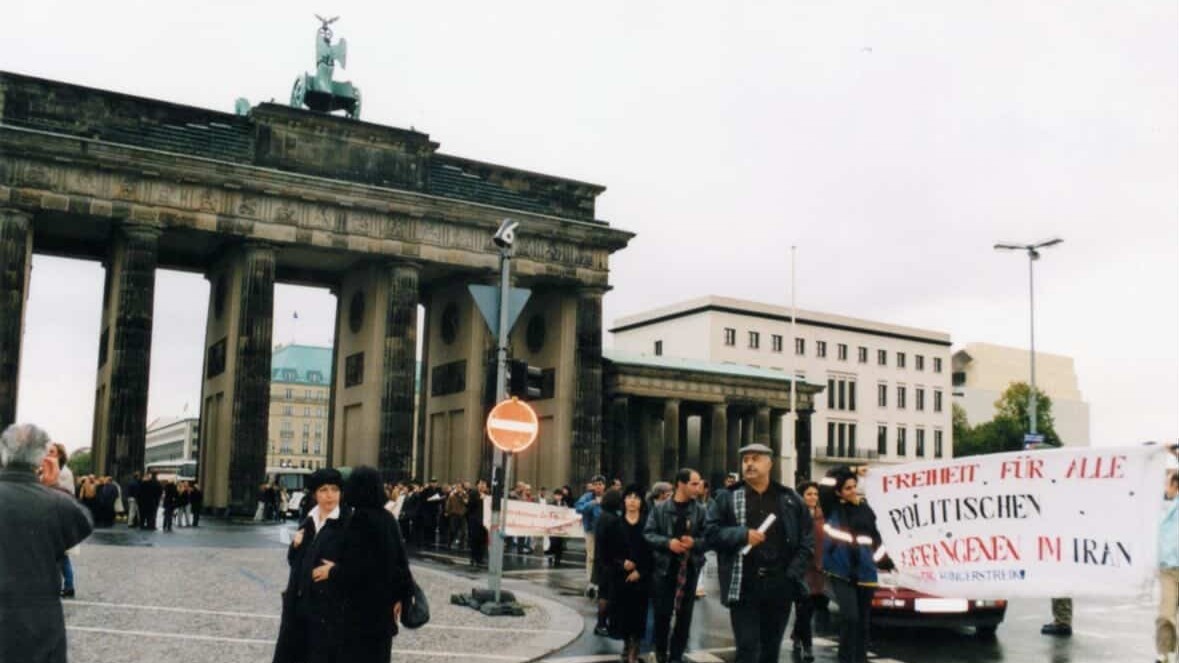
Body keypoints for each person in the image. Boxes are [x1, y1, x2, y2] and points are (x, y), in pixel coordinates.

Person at [705, 443, 813, 663]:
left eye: (755, 459)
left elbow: (807, 541)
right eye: (745, 460)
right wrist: (742, 535)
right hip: (744, 583)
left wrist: (792, 574)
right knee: (746, 648)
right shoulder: (726, 498)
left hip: (780, 583)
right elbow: (710, 534)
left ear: (769, 463)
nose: (749, 464)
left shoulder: (789, 499)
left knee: (770, 649)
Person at [0, 423, 94, 663]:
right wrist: (53, 487)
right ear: (42, 458)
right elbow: (83, 523)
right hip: (38, 625)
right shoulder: (56, 503)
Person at [318, 466, 414, 662]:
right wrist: (401, 596)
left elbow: (360, 569)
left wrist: (333, 571)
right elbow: (400, 564)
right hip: (383, 611)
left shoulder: (360, 521)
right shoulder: (387, 519)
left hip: (360, 613)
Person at [274, 468, 348, 663]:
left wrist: (335, 571)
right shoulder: (309, 520)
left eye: (334, 489)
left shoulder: (347, 523)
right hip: (298, 608)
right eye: (324, 490)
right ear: (315, 494)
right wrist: (295, 546)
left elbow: (362, 565)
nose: (330, 495)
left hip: (327, 613)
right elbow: (294, 562)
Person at [644, 468, 708, 663]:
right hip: (664, 569)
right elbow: (648, 533)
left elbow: (710, 537)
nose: (698, 488)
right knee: (662, 614)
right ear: (681, 484)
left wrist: (695, 543)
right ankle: (661, 652)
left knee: (684, 616)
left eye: (699, 483)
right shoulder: (661, 509)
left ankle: (677, 656)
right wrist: (667, 543)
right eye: (694, 484)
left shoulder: (701, 510)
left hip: (689, 568)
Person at [821, 468, 884, 663]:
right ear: (838, 492)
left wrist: (881, 561)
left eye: (854, 486)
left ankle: (860, 659)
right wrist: (852, 470)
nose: (852, 490)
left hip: (865, 572)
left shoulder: (866, 509)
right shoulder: (832, 507)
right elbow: (826, 483)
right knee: (850, 617)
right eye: (847, 488)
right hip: (841, 572)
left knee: (863, 622)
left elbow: (876, 538)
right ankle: (845, 659)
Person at [599, 484, 653, 663]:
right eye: (628, 497)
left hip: (641, 579)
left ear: (641, 501)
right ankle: (626, 645)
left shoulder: (647, 524)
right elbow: (606, 553)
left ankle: (633, 652)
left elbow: (653, 552)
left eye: (636, 497)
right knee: (622, 615)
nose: (632, 500)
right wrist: (622, 563)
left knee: (638, 615)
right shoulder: (615, 524)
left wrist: (641, 571)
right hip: (620, 578)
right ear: (623, 501)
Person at [790, 481, 827, 661]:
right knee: (804, 608)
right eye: (809, 494)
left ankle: (797, 635)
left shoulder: (823, 517)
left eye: (815, 494)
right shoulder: (796, 516)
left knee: (810, 608)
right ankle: (808, 646)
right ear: (801, 497)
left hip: (819, 570)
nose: (813, 497)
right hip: (802, 569)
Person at [592, 488, 624, 636]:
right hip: (609, 562)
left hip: (600, 560)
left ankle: (601, 623)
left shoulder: (602, 517)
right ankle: (602, 624)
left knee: (603, 594)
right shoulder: (612, 519)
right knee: (606, 595)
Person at [1156, 467, 1179, 663]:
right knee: (1166, 615)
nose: (1166, 488)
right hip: (1169, 569)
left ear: (1176, 485)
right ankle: (1164, 654)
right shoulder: (1165, 505)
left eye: (1168, 483)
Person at [575, 475, 607, 597]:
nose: (598, 486)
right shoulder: (588, 497)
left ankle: (601, 579)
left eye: (601, 484)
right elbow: (578, 508)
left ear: (604, 485)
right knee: (591, 556)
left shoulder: (607, 496)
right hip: (591, 530)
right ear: (593, 486)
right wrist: (592, 504)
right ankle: (591, 580)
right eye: (596, 484)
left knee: (604, 556)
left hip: (605, 531)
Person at [467, 479, 489, 567]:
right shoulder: (473, 493)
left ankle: (480, 558)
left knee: (482, 540)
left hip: (484, 521)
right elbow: (470, 505)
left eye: (485, 484)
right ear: (478, 485)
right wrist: (479, 499)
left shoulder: (487, 495)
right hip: (475, 521)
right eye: (481, 484)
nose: (483, 486)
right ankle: (473, 558)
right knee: (474, 540)